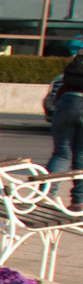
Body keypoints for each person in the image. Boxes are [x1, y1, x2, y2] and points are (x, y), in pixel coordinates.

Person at [46, 52, 83, 207]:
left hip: (67, 102)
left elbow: (59, 85)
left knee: (61, 155)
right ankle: (78, 202)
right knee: (81, 156)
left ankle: (46, 195)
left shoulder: (77, 61)